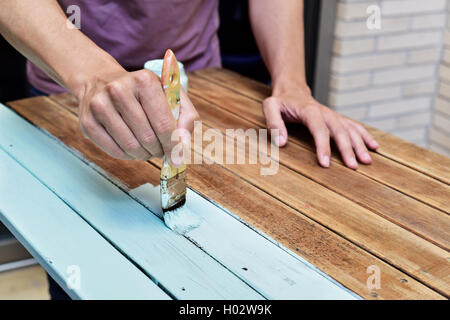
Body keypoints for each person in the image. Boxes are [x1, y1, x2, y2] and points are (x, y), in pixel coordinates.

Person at [0, 0, 378, 299]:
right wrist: (90, 75)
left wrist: (293, 82)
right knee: (87, 270)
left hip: (197, 80)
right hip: (66, 84)